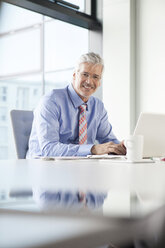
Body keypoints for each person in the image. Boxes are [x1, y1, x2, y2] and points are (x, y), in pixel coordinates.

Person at [26, 52, 126, 158]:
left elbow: (108, 141)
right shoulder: (51, 101)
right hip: (44, 165)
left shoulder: (98, 106)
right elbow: (49, 149)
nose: (89, 81)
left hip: (80, 166)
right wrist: (92, 149)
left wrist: (123, 147)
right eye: (85, 74)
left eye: (95, 77)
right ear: (74, 75)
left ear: (99, 82)